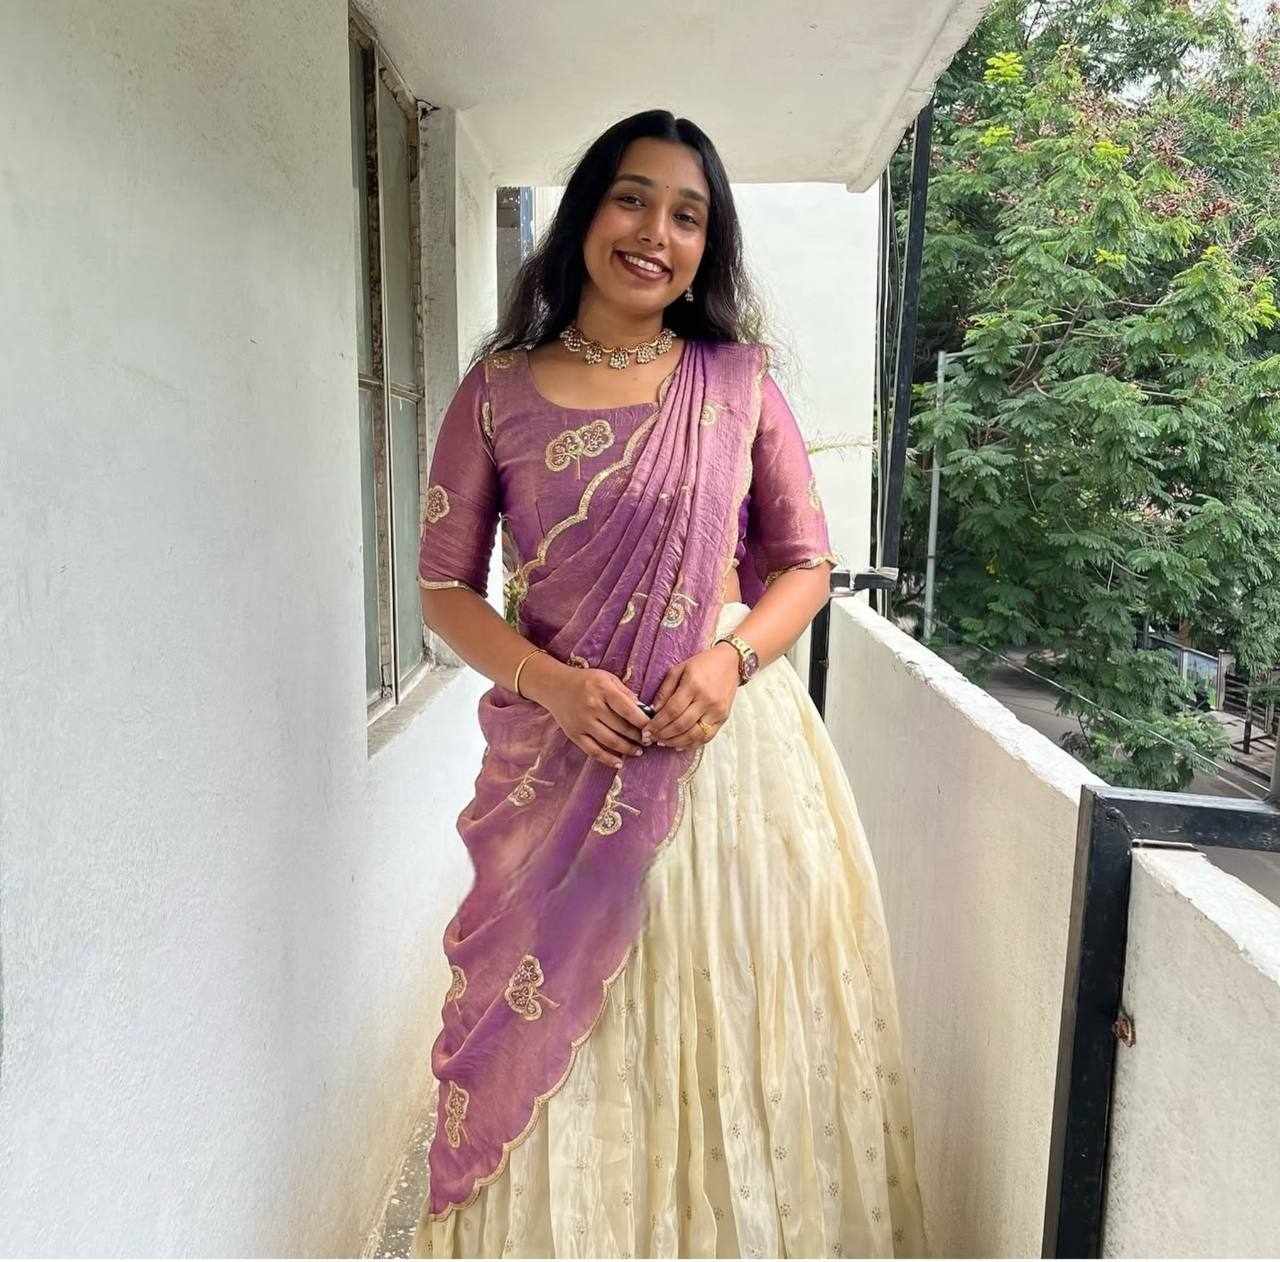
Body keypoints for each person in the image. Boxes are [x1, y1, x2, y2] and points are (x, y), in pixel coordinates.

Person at [410, 108, 926, 1260]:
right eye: (632, 199)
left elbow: (804, 564)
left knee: (723, 1024)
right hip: (561, 768)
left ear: (706, 245)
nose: (655, 233)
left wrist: (730, 660)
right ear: (586, 213)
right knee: (561, 1043)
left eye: (686, 216)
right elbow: (442, 588)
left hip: (726, 768)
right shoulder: (496, 391)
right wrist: (549, 683)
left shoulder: (735, 383)